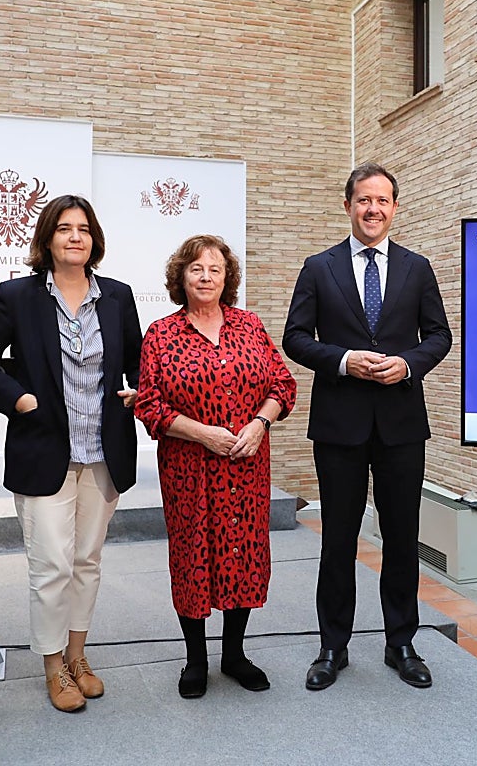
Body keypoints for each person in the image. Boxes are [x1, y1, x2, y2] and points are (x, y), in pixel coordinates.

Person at [283, 162, 452, 691]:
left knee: (402, 537)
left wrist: (408, 365)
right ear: (348, 206)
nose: (372, 209)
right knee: (338, 537)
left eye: (382, 200)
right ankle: (333, 646)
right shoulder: (319, 267)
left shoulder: (417, 268)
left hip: (402, 423)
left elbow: (439, 336)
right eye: (363, 200)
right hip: (340, 426)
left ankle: (401, 642)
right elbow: (295, 338)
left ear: (394, 208)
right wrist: (342, 360)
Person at [0, 195, 142, 712]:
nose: (75, 237)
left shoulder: (117, 296)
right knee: (51, 567)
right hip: (43, 450)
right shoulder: (18, 296)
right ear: (47, 239)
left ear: (94, 240)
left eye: (84, 229)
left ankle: (77, 655)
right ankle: (52, 667)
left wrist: (139, 391)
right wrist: (17, 399)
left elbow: (137, 362)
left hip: (103, 451)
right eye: (64, 228)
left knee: (86, 562)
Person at [135, 234, 296, 698]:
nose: (206, 277)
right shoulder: (161, 334)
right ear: (181, 277)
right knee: (193, 556)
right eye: (196, 269)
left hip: (247, 467)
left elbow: (283, 385)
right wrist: (203, 433)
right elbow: (149, 404)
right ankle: (196, 660)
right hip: (188, 469)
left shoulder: (250, 325)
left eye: (215, 270)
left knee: (242, 554)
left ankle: (234, 654)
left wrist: (260, 424)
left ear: (227, 279)